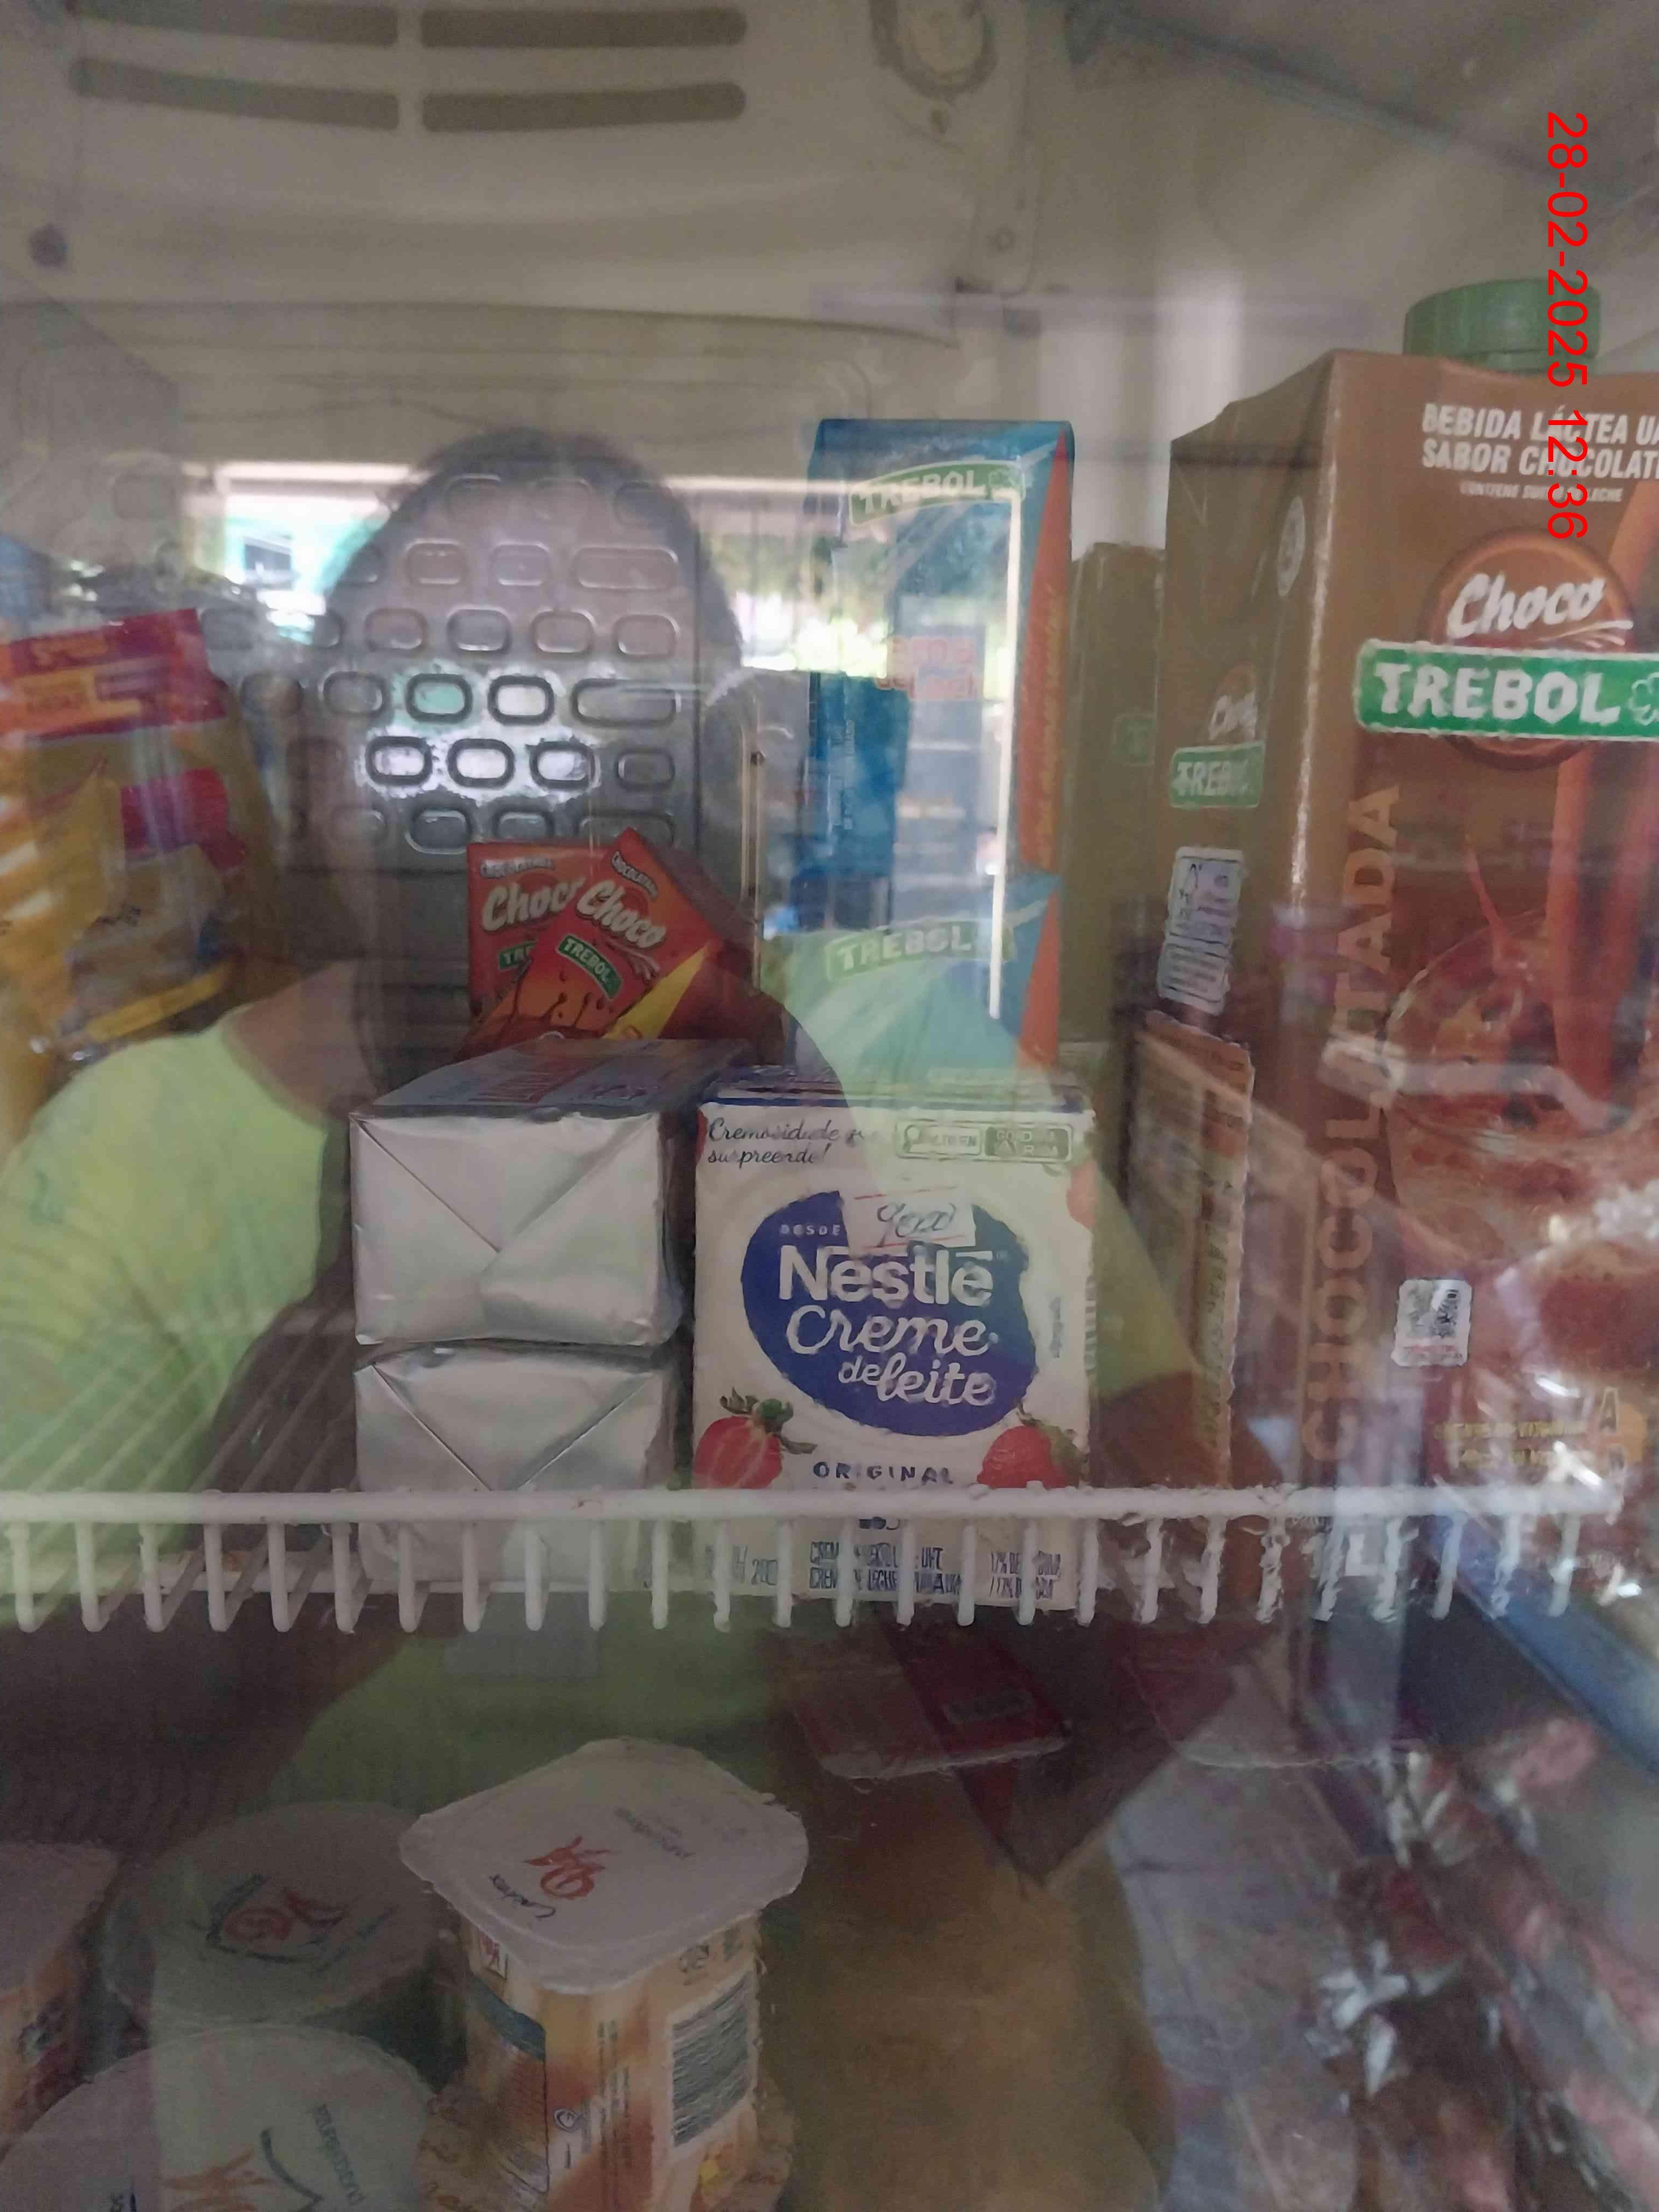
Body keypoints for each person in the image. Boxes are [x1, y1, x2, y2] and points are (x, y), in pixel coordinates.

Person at [0, 428, 1177, 2207]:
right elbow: (34, 1789)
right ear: (317, 765)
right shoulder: (137, 1151)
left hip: (857, 2011)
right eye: (448, 712)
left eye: (623, 725)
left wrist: (848, 1304)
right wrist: (294, 1579)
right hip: (335, 2031)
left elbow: (1167, 1633)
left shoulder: (889, 1052)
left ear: (737, 776)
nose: (531, 793)